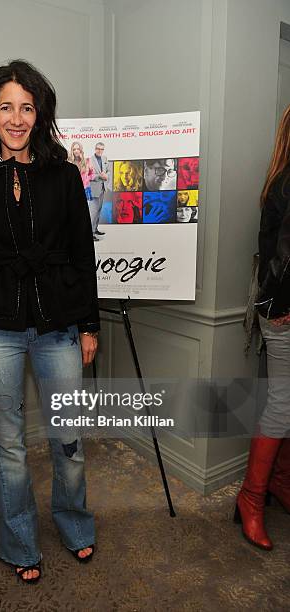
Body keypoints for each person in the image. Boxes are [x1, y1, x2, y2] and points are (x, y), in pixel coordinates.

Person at [0, 60, 100, 583]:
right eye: (5, 107)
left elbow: (82, 256)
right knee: (9, 445)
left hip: (58, 326)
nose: (16, 118)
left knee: (68, 437)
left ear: (40, 114)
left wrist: (89, 325)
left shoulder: (64, 175)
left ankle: (74, 524)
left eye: (26, 107)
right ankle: (19, 545)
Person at [235, 104, 290, 551]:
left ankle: (276, 487)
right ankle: (250, 500)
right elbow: (282, 256)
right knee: (282, 405)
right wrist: (279, 305)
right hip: (284, 309)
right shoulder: (286, 181)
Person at [68, 141, 96, 236]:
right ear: (72, 150)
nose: (76, 151)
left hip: (85, 189)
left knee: (85, 213)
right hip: (73, 190)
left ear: (81, 150)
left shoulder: (87, 161)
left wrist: (88, 178)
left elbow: (92, 174)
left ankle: (87, 234)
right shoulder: (69, 162)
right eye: (74, 149)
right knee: (74, 213)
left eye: (78, 149)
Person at [90, 142, 109, 240]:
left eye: (102, 149)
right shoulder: (90, 160)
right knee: (93, 212)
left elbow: (108, 171)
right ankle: (90, 233)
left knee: (99, 210)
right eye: (98, 148)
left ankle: (95, 229)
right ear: (95, 148)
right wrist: (99, 176)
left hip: (102, 188)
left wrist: (106, 176)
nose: (99, 151)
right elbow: (88, 176)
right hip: (94, 189)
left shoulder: (105, 159)